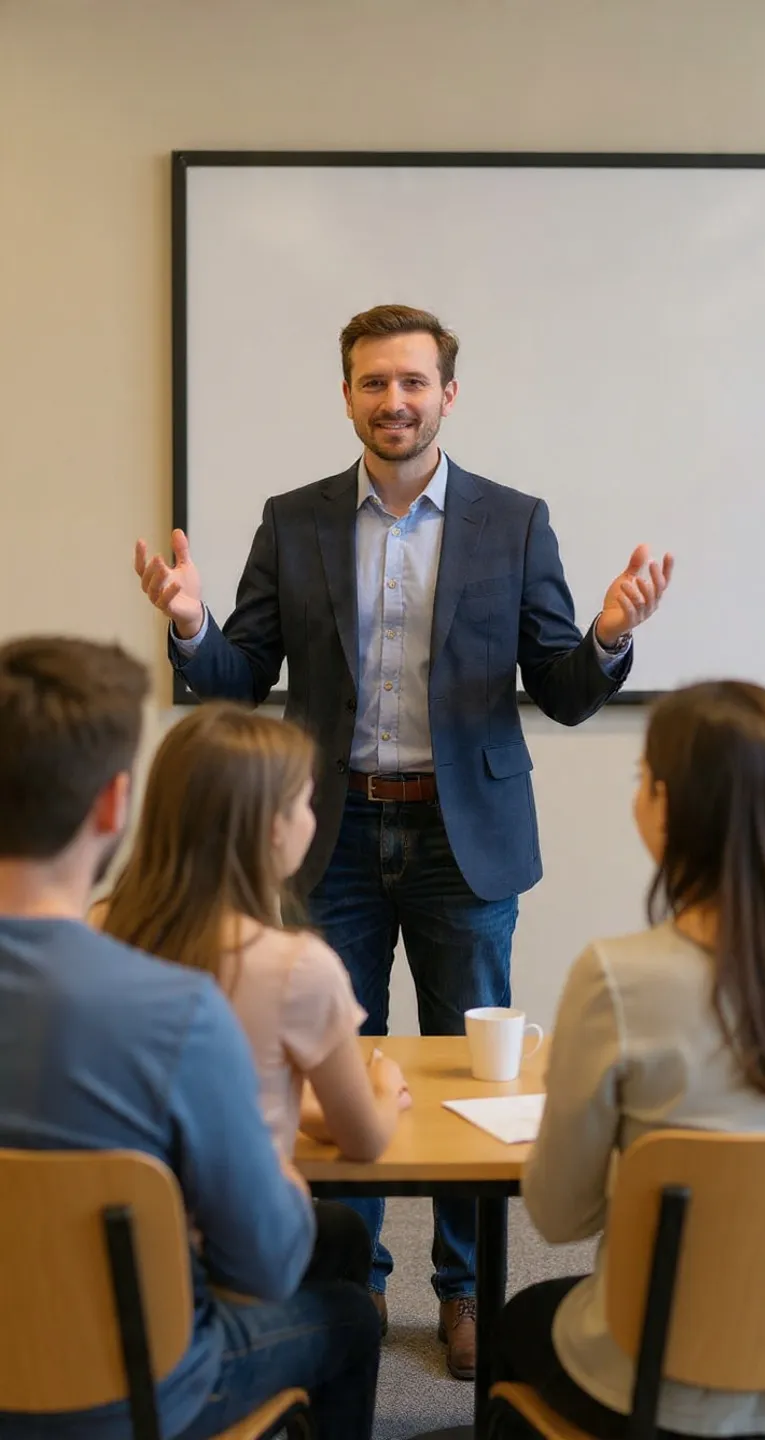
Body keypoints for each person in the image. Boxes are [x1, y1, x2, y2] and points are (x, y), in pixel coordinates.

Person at [135, 302, 673, 1377]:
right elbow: (240, 677)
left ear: (448, 396)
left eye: (414, 383)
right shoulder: (293, 521)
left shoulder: (513, 522)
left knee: (470, 1075)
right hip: (328, 831)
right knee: (341, 1062)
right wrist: (192, 626)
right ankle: (355, 1282)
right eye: (374, 383)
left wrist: (609, 637)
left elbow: (563, 691)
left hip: (457, 833)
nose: (395, 401)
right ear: (347, 395)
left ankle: (468, 1293)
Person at [0, 636, 380, 1440]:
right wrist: (271, 1150)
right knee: (350, 1316)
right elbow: (266, 1264)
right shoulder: (175, 1013)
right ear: (113, 804)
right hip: (133, 1394)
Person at [494, 680, 765, 1438]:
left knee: (516, 1325)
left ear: (669, 808)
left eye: (644, 776)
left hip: (652, 1383)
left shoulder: (618, 979)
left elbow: (558, 1214)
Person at [91, 701, 412, 1175]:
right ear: (271, 829)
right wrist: (384, 1089)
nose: (313, 820)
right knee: (339, 1233)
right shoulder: (297, 967)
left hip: (107, 1227)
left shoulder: (94, 930)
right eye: (305, 802)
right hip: (229, 1239)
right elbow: (363, 1141)